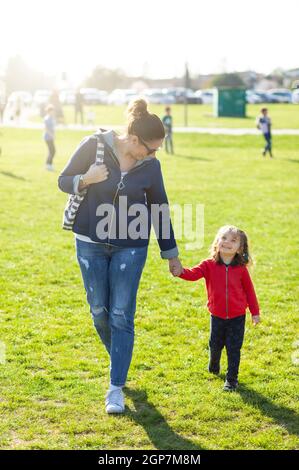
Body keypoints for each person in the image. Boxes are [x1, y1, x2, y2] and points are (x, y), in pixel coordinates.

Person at [58, 99, 182, 414]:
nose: (154, 156)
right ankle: (120, 360)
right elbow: (63, 180)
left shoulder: (150, 166)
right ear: (133, 139)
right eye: (151, 149)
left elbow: (159, 208)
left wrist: (171, 253)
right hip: (90, 241)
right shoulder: (94, 146)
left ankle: (116, 387)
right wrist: (86, 179)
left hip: (132, 245)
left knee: (121, 315)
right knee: (99, 310)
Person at [172, 225, 260, 392]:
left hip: (237, 316)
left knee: (234, 348)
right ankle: (214, 363)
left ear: (240, 248)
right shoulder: (208, 265)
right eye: (224, 238)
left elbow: (250, 291)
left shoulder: (241, 269)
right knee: (215, 344)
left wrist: (255, 312)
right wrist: (180, 272)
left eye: (233, 240)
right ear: (217, 242)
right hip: (217, 315)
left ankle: (231, 379)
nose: (227, 242)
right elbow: (193, 274)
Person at [44, 104, 56, 171]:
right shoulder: (47, 118)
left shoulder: (52, 118)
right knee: (52, 151)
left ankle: (49, 164)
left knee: (51, 151)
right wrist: (52, 135)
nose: (52, 112)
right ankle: (48, 164)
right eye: (51, 111)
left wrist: (53, 135)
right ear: (48, 111)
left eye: (53, 111)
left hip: (51, 137)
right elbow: (46, 128)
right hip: (47, 137)